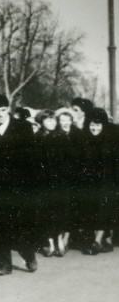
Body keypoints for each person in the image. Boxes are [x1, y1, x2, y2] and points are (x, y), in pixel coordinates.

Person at [0, 94, 38, 275]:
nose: (0, 115)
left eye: (3, 110)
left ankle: (28, 254)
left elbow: (31, 159)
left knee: (19, 225)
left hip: (18, 186)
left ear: (8, 109)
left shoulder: (23, 128)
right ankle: (3, 263)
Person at [77, 108, 115, 255]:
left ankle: (97, 241)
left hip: (106, 183)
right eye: (92, 124)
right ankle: (94, 240)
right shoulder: (83, 139)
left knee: (103, 211)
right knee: (89, 210)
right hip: (87, 183)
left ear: (104, 125)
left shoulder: (110, 141)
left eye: (98, 125)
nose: (95, 128)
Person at [35, 109, 72, 257]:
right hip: (43, 181)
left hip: (60, 181)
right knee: (46, 212)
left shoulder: (62, 137)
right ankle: (49, 242)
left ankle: (59, 240)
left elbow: (69, 160)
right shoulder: (37, 138)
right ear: (42, 122)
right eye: (47, 120)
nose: (51, 123)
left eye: (53, 120)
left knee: (60, 210)